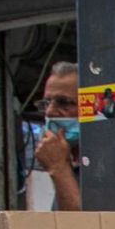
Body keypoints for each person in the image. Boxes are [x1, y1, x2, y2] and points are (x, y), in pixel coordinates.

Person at [33, 61, 81, 211]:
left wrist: (58, 168)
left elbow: (87, 227)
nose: (49, 111)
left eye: (64, 102)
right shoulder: (71, 164)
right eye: (47, 103)